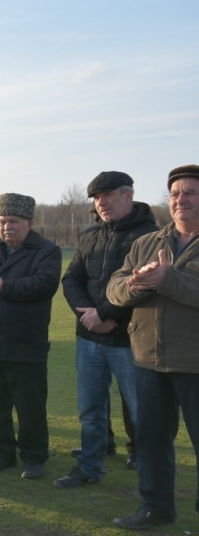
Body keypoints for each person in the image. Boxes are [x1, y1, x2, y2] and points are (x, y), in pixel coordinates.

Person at [107, 164, 199, 529]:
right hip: (148, 360)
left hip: (194, 362)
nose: (181, 200)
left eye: (190, 192)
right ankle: (155, 508)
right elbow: (114, 288)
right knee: (151, 441)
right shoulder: (147, 243)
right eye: (175, 193)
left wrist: (167, 278)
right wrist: (136, 284)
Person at [55, 171, 157, 489]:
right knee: (90, 409)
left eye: (107, 195)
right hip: (89, 338)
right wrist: (88, 315)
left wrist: (105, 314)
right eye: (97, 198)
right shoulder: (89, 236)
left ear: (128, 194)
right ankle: (90, 466)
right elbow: (71, 279)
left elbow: (145, 286)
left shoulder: (151, 236)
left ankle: (151, 476)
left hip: (129, 340)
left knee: (142, 412)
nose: (101, 202)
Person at [0, 193, 60, 480]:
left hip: (26, 343)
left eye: (14, 221)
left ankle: (34, 458)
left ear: (30, 222)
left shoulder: (46, 251)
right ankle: (2, 453)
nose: (7, 227)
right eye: (3, 221)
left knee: (30, 407)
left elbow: (44, 285)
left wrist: (1, 285)